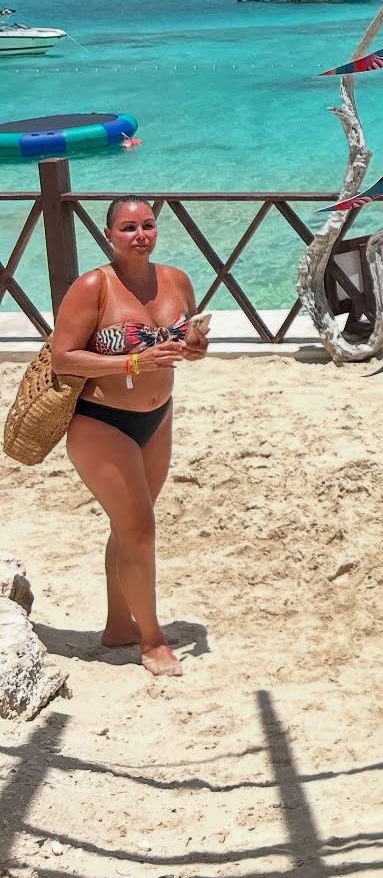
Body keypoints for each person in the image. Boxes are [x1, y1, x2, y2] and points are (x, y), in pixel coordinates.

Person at [50, 197, 208, 677]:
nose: (140, 235)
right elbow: (63, 357)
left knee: (130, 529)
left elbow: (186, 339)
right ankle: (152, 640)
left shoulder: (177, 280)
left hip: (158, 416)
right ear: (108, 235)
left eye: (148, 225)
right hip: (101, 420)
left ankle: (120, 626)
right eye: (128, 228)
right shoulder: (93, 286)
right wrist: (133, 362)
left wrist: (195, 347)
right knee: (140, 530)